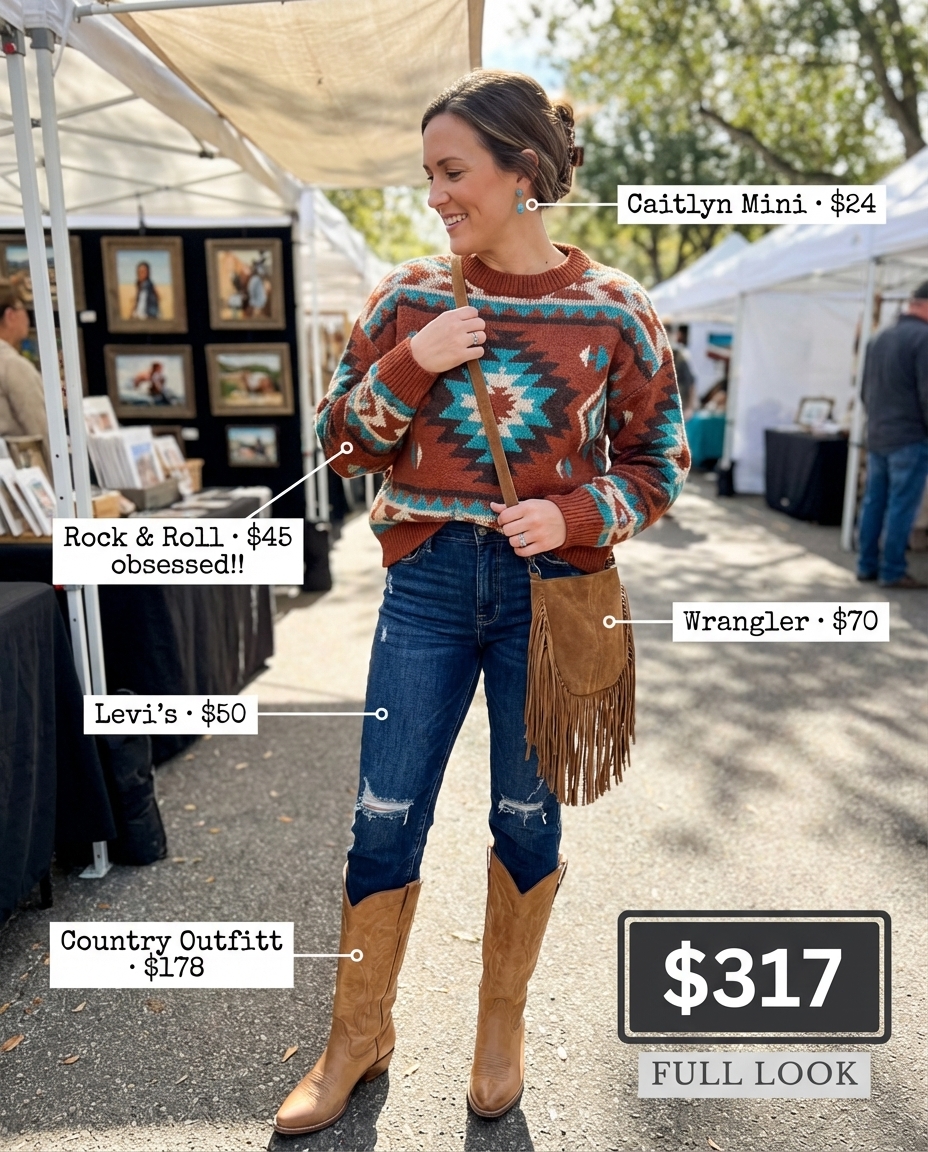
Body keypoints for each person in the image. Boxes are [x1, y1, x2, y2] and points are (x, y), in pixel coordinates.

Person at [274, 70, 690, 1137]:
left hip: (551, 595)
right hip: (425, 588)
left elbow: (662, 459)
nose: (436, 197)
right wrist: (412, 362)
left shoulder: (615, 312)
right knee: (383, 817)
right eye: (429, 176)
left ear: (526, 173)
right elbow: (339, 442)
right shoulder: (410, 300)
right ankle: (357, 1035)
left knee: (525, 815)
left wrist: (579, 514)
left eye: (454, 173)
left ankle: (497, 1028)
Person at [856, 281, 928, 589]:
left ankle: (866, 565)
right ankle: (892, 569)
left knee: (875, 502)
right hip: (909, 437)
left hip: (879, 435)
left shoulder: (879, 337)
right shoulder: (923, 338)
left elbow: (864, 392)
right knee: (900, 506)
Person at [0, 279, 49, 469]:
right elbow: (41, 434)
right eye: (25, 311)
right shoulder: (13, 366)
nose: (28, 318)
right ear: (10, 315)